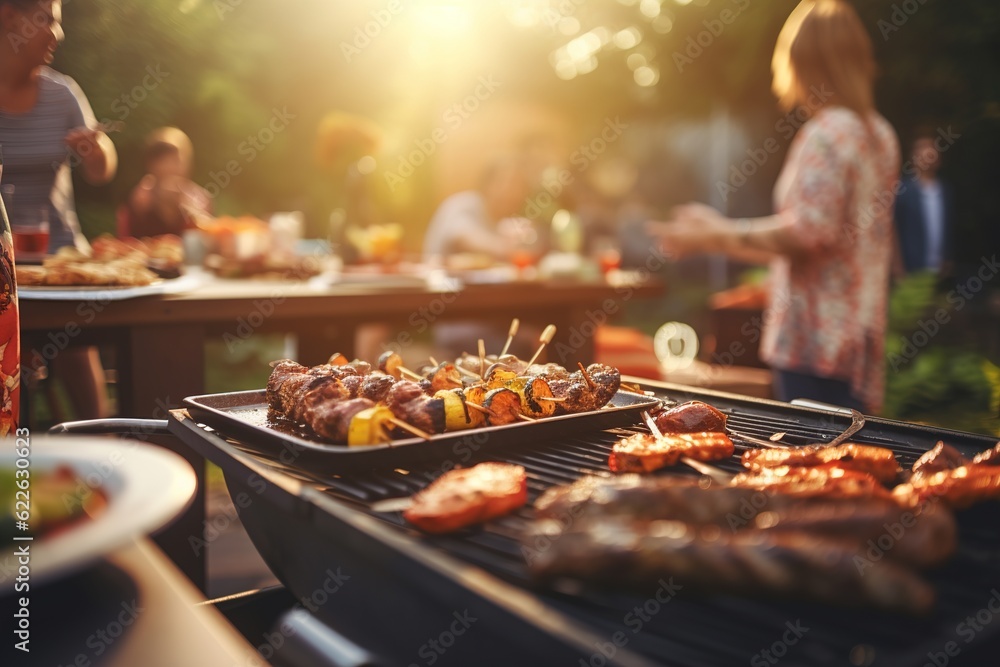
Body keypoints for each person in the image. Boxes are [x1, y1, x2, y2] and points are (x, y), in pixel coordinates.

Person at [649, 0, 900, 414]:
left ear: (801, 64)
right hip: (859, 345)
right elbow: (815, 240)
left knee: (813, 469)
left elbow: (804, 234)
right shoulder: (880, 135)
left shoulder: (827, 133)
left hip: (814, 347)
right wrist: (715, 234)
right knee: (852, 462)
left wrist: (712, 233)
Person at [0, 0, 117, 420]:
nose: (57, 33)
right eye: (46, 20)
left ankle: (105, 448)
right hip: (3, 265)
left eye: (58, 22)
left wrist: (94, 148)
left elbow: (102, 170)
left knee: (79, 357)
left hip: (62, 261)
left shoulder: (62, 92)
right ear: (9, 17)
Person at [422, 157, 532, 263]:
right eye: (508, 184)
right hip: (441, 280)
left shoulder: (506, 219)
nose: (514, 193)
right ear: (488, 184)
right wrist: (513, 249)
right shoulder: (463, 204)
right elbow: (463, 238)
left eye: (520, 186)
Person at [119, 126, 212, 238]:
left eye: (175, 160)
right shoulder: (139, 197)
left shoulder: (200, 199)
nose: (168, 167)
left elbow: (209, 235)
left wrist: (185, 208)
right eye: (162, 161)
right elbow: (125, 237)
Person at [893, 128, 954, 276]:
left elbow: (949, 228)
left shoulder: (946, 191)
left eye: (931, 148)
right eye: (921, 148)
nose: (927, 154)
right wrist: (897, 266)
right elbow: (893, 229)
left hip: (939, 271)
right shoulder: (902, 191)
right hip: (911, 270)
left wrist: (948, 258)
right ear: (913, 156)